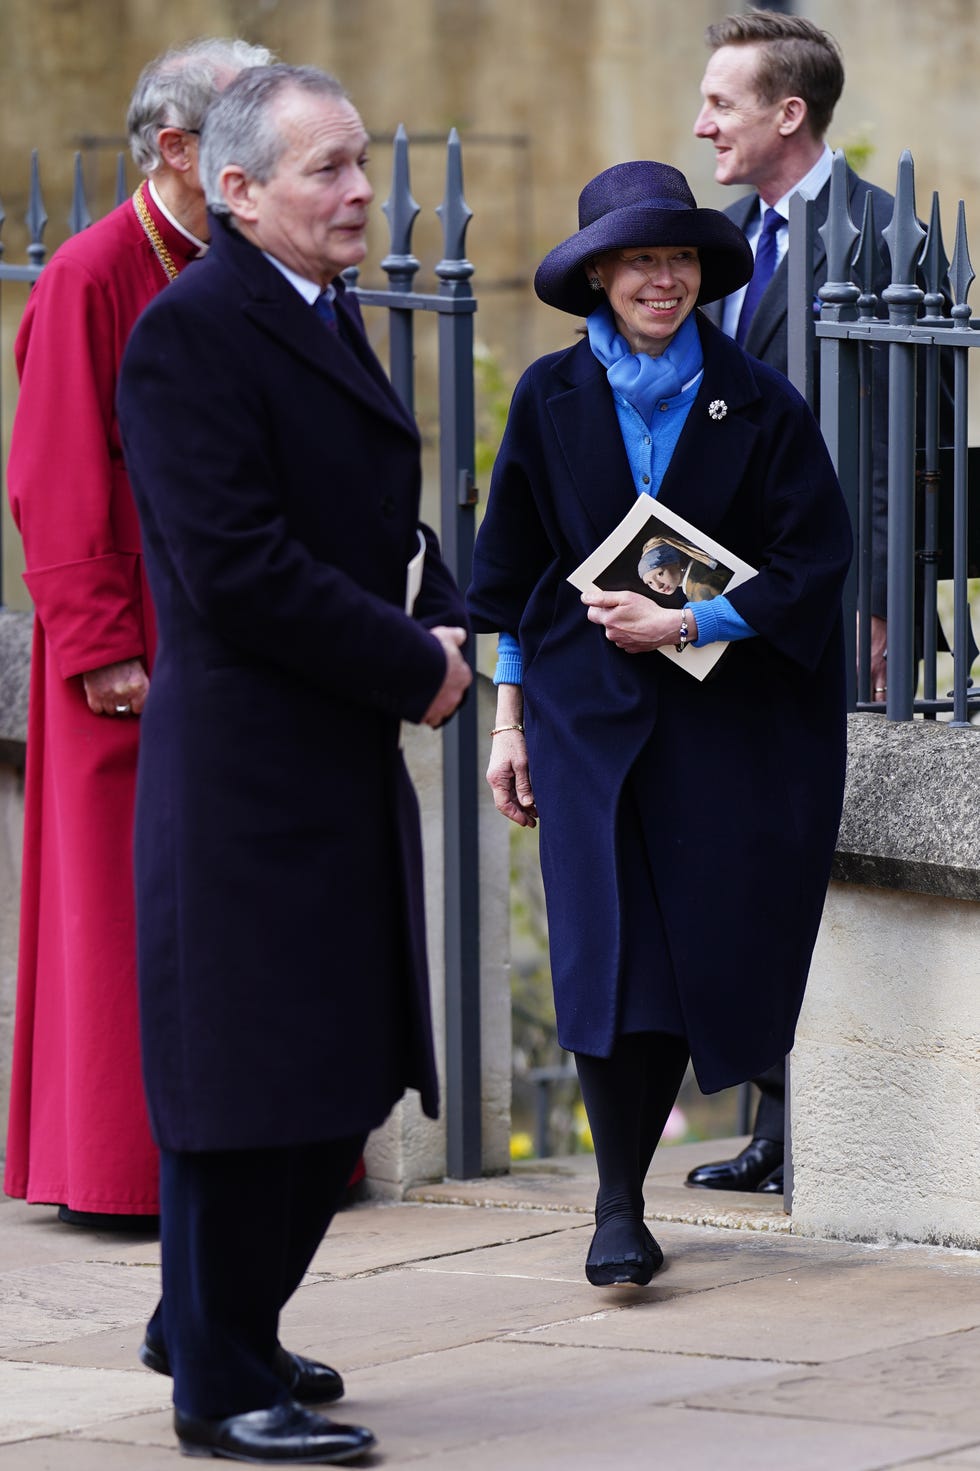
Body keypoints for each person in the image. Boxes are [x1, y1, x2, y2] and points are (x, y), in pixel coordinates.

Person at [116, 63, 471, 1463]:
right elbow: (240, 568)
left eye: (361, 161)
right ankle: (215, 1380)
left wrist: (441, 600)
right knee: (242, 1078)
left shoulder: (317, 308)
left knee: (333, 1061)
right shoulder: (191, 332)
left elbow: (373, 520)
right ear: (236, 187)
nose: (361, 190)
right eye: (326, 168)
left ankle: (241, 1325)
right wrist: (415, 662)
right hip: (250, 771)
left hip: (328, 752)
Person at [467, 159, 851, 1288]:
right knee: (603, 949)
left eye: (677, 258)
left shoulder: (760, 401)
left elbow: (815, 564)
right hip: (582, 720)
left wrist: (690, 620)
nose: (661, 279)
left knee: (688, 951)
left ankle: (642, 1173)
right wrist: (507, 721)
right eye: (639, 258)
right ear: (596, 273)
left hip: (721, 725)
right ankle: (616, 1203)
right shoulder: (547, 397)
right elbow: (508, 573)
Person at [4, 36, 273, 1229]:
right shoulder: (93, 271)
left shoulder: (250, 261)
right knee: (125, 910)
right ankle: (123, 1168)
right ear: (177, 151)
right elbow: (55, 476)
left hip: (241, 635)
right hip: (133, 653)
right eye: (245, 134)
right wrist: (102, 640)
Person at [688, 9, 895, 1195]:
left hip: (826, 606)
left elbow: (885, 442)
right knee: (747, 857)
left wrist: (866, 601)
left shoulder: (878, 236)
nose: (701, 121)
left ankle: (810, 1127)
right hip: (719, 605)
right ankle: (772, 1118)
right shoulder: (717, 240)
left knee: (806, 850)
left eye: (721, 101)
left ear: (787, 114)